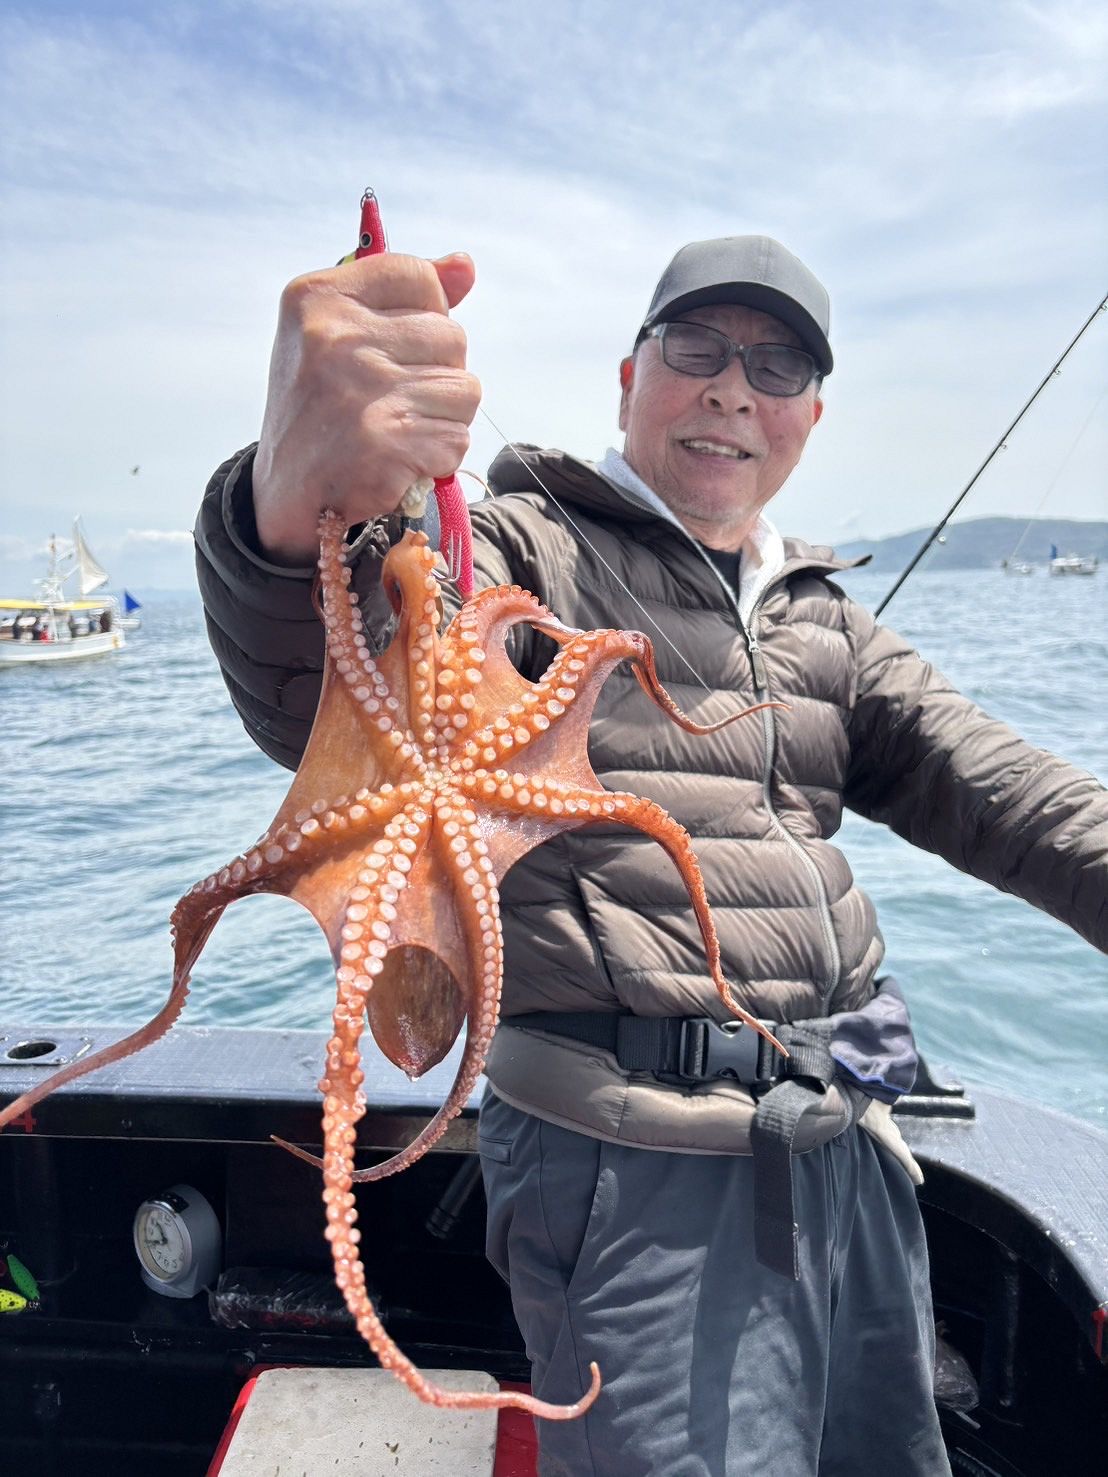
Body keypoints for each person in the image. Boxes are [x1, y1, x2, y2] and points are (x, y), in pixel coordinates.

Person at [195, 236, 1107, 1477]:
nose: (734, 388)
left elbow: (1007, 793)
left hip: (845, 1144)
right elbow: (348, 673)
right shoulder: (532, 550)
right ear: (630, 377)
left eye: (777, 367)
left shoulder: (821, 618)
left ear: (810, 416)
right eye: (699, 348)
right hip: (635, 1169)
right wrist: (298, 510)